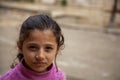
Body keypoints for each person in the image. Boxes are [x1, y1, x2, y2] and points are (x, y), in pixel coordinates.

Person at [0, 15, 66, 80]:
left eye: (48, 48)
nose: (40, 56)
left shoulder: (59, 77)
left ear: (57, 49)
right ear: (20, 47)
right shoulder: (9, 78)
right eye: (33, 47)